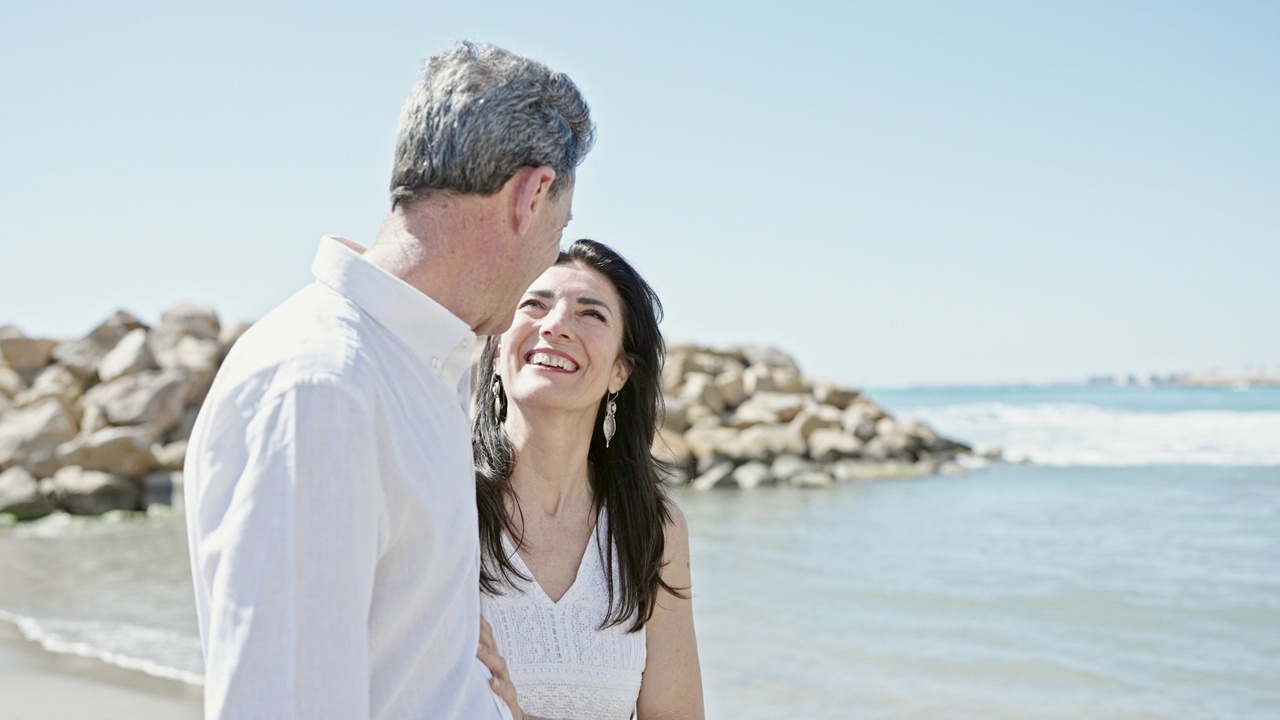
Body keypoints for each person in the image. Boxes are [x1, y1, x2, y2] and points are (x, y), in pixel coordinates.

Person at [183, 41, 594, 719]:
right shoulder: (323, 389)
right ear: (532, 193)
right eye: (561, 227)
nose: (550, 256)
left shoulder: (417, 368)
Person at [471, 240, 705, 720]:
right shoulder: (444, 504)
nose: (555, 325)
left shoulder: (654, 532)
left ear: (620, 371)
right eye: (533, 304)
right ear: (496, 350)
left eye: (591, 314)